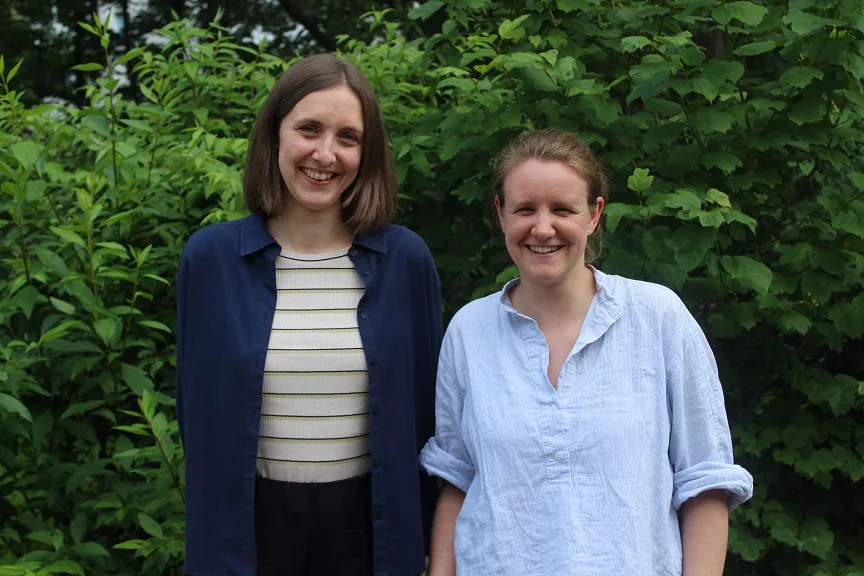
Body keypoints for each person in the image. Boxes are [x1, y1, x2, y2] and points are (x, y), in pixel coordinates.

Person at [420, 129, 754, 576]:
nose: (543, 228)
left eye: (562, 209)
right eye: (525, 209)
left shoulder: (658, 318)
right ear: (501, 214)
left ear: (594, 214)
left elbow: (705, 483)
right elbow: (457, 483)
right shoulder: (468, 331)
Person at [175, 54, 442, 576]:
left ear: (367, 153)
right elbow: (196, 412)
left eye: (348, 137)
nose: (325, 153)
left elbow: (428, 417)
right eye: (309, 129)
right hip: (247, 535)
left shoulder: (406, 261)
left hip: (370, 533)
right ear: (275, 134)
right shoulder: (209, 261)